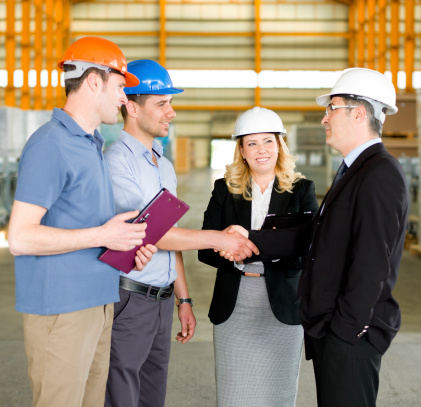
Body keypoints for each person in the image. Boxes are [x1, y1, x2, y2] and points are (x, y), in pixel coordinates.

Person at [240, 68, 409, 407]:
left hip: (349, 335)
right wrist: (251, 238)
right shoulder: (354, 169)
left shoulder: (379, 174)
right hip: (333, 330)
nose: (324, 118)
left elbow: (372, 263)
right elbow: (320, 234)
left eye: (332, 108)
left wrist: (344, 333)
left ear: (358, 113)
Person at [7, 37, 155, 407]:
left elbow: (84, 227)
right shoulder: (51, 144)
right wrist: (103, 234)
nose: (125, 99)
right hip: (62, 310)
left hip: (98, 303)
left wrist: (122, 243)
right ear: (93, 81)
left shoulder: (91, 144)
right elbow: (20, 238)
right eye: (121, 87)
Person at [104, 60, 259, 407]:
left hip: (160, 301)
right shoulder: (117, 162)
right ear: (131, 106)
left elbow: (169, 235)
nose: (171, 112)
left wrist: (183, 299)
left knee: (152, 396)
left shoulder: (164, 164)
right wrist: (219, 238)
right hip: (130, 300)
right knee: (121, 394)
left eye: (170, 103)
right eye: (162, 104)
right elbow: (149, 235)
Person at [198, 106, 319, 407]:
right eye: (252, 143)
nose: (261, 150)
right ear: (241, 149)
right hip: (235, 302)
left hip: (283, 301)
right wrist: (232, 252)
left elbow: (311, 249)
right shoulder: (224, 190)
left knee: (278, 394)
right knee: (233, 393)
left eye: (268, 141)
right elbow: (205, 247)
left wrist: (266, 251)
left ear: (280, 145)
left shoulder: (302, 190)